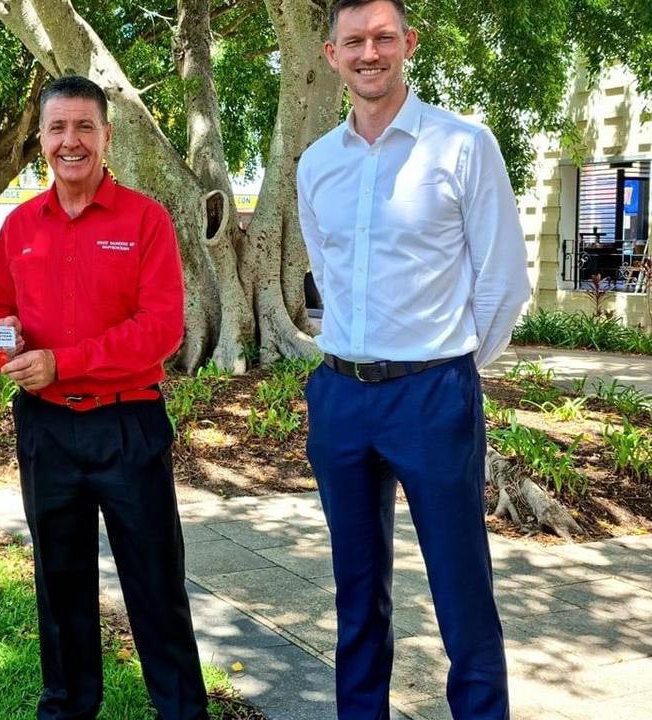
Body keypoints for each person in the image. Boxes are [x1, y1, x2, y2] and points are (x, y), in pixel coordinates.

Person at [295, 1, 529, 718]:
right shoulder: (316, 163)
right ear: (331, 54)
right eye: (354, 41)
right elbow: (325, 274)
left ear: (409, 45)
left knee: (462, 593)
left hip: (432, 396)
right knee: (356, 593)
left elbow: (503, 281)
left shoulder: (462, 145)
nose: (370, 53)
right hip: (341, 398)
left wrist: (446, 366)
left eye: (384, 38)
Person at [0, 75, 209, 720]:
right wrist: (2, 338)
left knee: (156, 584)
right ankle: (68, 708)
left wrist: (63, 363)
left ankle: (183, 712)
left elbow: (160, 330)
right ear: (42, 140)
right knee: (60, 584)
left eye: (84, 127)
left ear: (107, 136)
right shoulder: (20, 225)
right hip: (46, 431)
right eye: (58, 128)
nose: (71, 141)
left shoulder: (146, 220)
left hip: (127, 424)